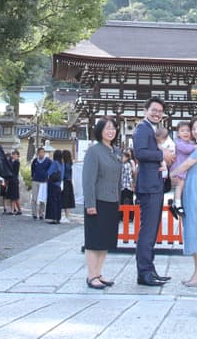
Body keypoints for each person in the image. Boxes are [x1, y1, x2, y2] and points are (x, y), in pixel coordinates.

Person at [133, 97, 173, 286]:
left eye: (160, 111)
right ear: (145, 110)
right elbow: (139, 153)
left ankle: (150, 268)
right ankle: (144, 273)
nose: (157, 113)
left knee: (152, 230)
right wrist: (161, 155)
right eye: (153, 110)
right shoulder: (142, 129)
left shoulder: (153, 129)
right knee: (148, 231)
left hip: (155, 185)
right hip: (148, 186)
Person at [169, 115, 197, 287]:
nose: (196, 132)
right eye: (194, 129)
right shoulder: (196, 145)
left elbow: (189, 163)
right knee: (190, 229)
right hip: (189, 186)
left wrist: (171, 174)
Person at [82, 117, 122, 290]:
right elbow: (88, 180)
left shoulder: (115, 151)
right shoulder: (94, 151)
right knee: (94, 240)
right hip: (97, 201)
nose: (111, 131)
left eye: (113, 128)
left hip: (112, 201)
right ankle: (91, 276)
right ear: (100, 131)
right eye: (107, 128)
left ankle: (99, 273)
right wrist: (90, 203)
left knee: (105, 240)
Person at [168, 121, 195, 218]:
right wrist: (196, 146)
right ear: (178, 133)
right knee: (180, 185)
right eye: (182, 131)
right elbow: (186, 149)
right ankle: (177, 204)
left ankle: (174, 203)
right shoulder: (178, 142)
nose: (186, 133)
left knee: (181, 186)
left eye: (188, 130)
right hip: (178, 168)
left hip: (183, 168)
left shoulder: (190, 143)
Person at [30, 147, 51, 220]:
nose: (41, 154)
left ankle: (41, 214)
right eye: (40, 152)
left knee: (42, 198)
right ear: (38, 153)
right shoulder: (35, 161)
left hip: (43, 181)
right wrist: (33, 176)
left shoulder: (48, 161)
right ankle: (34, 214)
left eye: (43, 152)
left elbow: (50, 169)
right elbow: (32, 169)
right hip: (35, 180)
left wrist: (47, 176)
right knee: (34, 198)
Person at [45, 149, 65, 223]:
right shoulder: (62, 164)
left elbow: (49, 172)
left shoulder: (55, 163)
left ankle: (53, 218)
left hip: (53, 184)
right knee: (58, 202)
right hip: (59, 184)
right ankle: (58, 218)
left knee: (52, 201)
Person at [61, 149, 76, 223]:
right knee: (68, 199)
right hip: (69, 182)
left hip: (64, 182)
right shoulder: (70, 163)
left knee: (64, 199)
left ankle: (65, 215)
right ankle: (67, 215)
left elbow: (62, 174)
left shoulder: (64, 164)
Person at [5, 150, 22, 214]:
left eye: (15, 154)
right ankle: (19, 210)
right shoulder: (11, 161)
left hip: (14, 180)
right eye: (13, 154)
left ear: (17, 155)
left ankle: (12, 210)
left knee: (14, 196)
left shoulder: (17, 162)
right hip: (11, 180)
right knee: (15, 196)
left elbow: (14, 170)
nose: (13, 155)